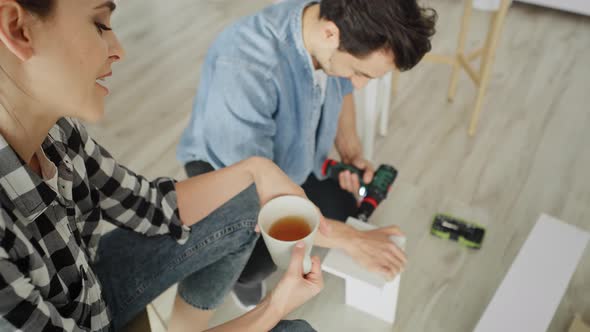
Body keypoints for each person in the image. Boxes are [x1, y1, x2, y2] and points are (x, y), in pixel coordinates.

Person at [0, 0, 327, 331]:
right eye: (98, 24)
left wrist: (257, 169)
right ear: (17, 28)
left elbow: (149, 206)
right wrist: (273, 307)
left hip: (90, 287)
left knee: (245, 200)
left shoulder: (57, 132)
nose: (119, 50)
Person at [177, 0, 437, 309]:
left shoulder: (328, 24)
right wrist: (351, 240)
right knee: (252, 258)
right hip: (230, 173)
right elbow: (255, 184)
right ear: (330, 34)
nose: (359, 84)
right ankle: (244, 279)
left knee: (344, 201)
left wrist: (351, 153)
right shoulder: (246, 63)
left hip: (292, 161)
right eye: (359, 72)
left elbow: (343, 89)